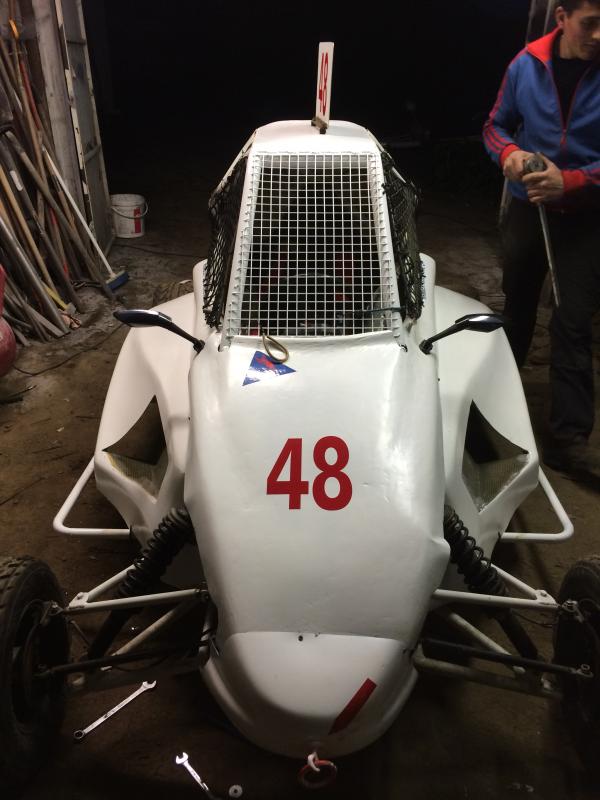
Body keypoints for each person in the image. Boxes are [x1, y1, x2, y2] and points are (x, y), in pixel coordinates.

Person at [483, 0, 600, 479]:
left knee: (573, 320)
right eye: (591, 23)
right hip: (529, 211)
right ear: (562, 18)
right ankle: (495, 415)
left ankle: (568, 440)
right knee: (516, 309)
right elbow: (495, 126)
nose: (599, 35)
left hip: (585, 214)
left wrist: (568, 182)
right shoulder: (526, 64)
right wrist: (509, 154)